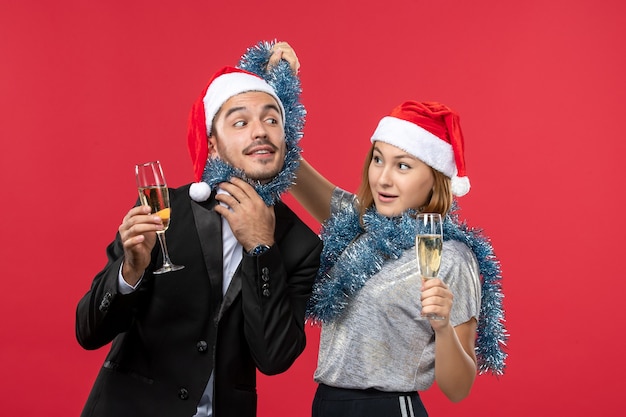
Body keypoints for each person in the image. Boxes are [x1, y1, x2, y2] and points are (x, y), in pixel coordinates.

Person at [75, 41, 322, 417]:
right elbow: (88, 332)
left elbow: (274, 358)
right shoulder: (162, 212)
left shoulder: (300, 244)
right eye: (240, 122)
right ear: (214, 146)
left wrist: (262, 248)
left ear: (286, 139)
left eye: (272, 120)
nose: (261, 131)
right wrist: (129, 272)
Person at [290, 100, 507, 416]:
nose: (383, 179)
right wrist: (272, 92)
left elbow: (458, 388)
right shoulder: (358, 223)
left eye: (403, 165)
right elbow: (291, 168)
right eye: (378, 160)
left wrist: (444, 328)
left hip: (389, 408)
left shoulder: (451, 257)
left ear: (435, 177)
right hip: (327, 404)